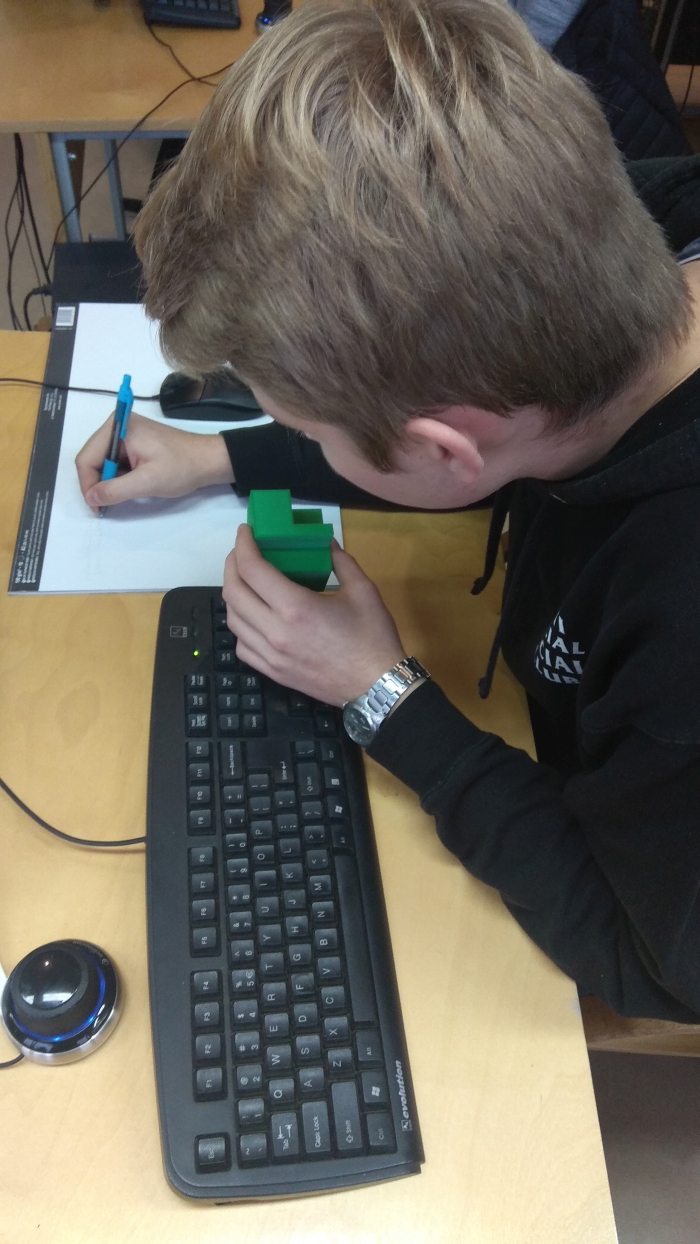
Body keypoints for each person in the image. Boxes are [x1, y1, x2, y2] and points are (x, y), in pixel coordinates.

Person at [76, 0, 700, 1021]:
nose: (305, 445)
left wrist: (381, 693)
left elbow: (656, 961)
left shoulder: (679, 621)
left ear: (443, 448)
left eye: (308, 430)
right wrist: (219, 454)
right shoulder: (618, 232)